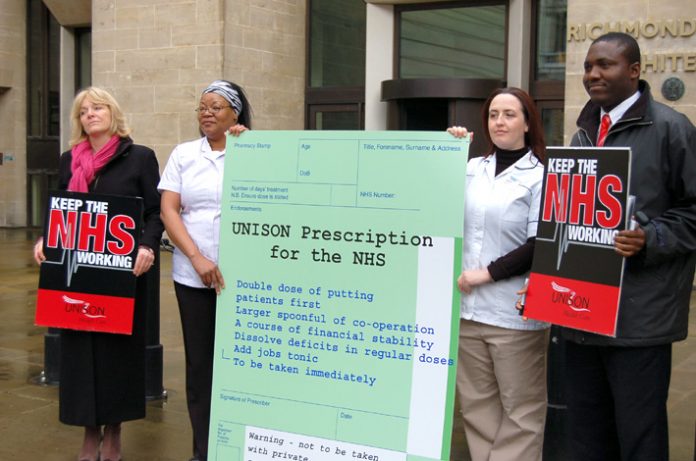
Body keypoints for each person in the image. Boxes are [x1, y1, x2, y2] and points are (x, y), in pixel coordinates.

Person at [563, 32, 696, 461]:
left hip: (638, 318)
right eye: (587, 66)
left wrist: (649, 239)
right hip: (582, 314)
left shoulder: (673, 129)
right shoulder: (583, 133)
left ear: (634, 71)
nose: (593, 74)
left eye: (605, 65)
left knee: (639, 436)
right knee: (586, 433)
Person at [33, 87, 163, 461]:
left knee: (116, 354)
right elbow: (59, 209)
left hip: (121, 274)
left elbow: (155, 212)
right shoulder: (68, 160)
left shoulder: (139, 158)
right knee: (80, 355)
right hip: (77, 275)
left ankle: (114, 430)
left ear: (113, 113)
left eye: (98, 107)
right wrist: (45, 238)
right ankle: (90, 433)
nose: (90, 114)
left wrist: (147, 246)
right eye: (84, 110)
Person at [447, 87, 549, 461]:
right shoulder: (471, 168)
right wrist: (448, 151)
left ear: (526, 122)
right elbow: (430, 198)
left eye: (509, 114)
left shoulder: (540, 176)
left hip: (513, 316)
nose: (499, 122)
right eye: (493, 115)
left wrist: (485, 274)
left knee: (521, 411)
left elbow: (539, 244)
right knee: (477, 408)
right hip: (467, 314)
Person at [158, 80, 252, 461]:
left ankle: (242, 443)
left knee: (241, 362)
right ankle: (204, 449)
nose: (206, 113)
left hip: (243, 277)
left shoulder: (253, 150)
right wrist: (196, 257)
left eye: (215, 106)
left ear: (236, 112)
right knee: (201, 364)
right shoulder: (183, 154)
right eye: (201, 107)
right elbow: (169, 210)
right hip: (193, 275)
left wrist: (251, 147)